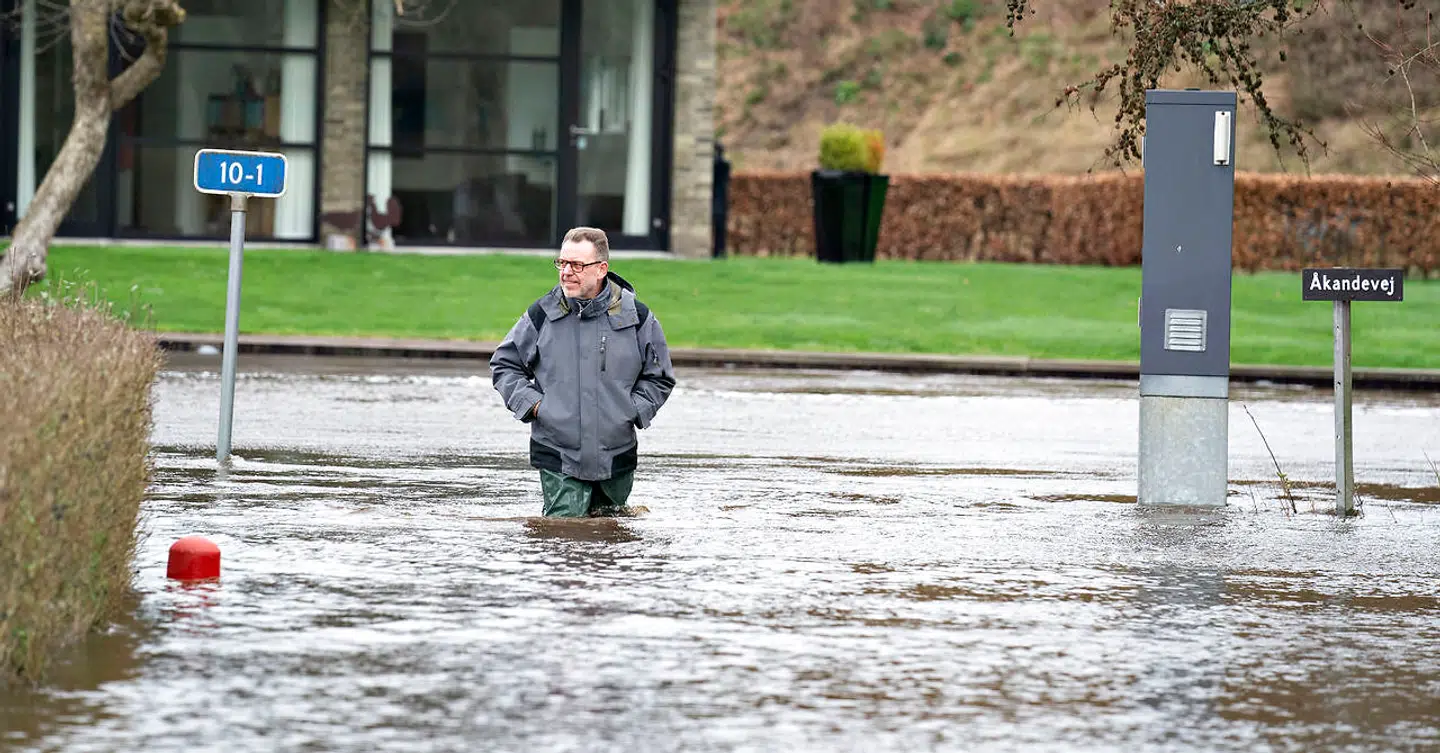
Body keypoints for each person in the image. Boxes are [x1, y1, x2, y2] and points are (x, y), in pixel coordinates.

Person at [490, 226, 676, 518]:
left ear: (601, 269)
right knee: (563, 532)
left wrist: (630, 411)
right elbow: (505, 365)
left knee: (612, 532)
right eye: (562, 263)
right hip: (557, 453)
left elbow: (659, 377)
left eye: (577, 265)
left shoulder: (638, 317)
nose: (566, 272)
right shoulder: (541, 314)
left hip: (617, 454)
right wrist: (536, 406)